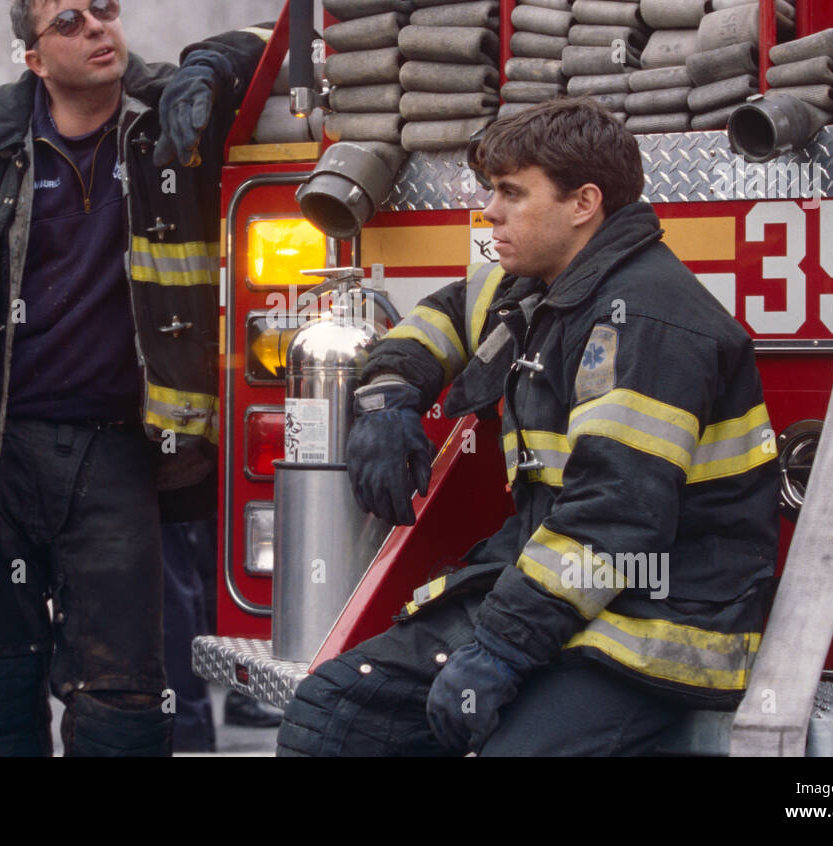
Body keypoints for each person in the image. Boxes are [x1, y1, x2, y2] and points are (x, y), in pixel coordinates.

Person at [277, 98, 781, 756]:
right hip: (557, 599)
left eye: (512, 192)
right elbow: (445, 317)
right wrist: (385, 398)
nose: (490, 211)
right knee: (335, 717)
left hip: (652, 627)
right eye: (492, 190)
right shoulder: (537, 288)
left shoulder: (645, 322)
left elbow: (616, 522)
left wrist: (499, 650)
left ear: (583, 204)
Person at [0, 0, 267, 756]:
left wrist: (209, 65)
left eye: (105, 8)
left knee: (122, 693)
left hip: (116, 453)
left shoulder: (174, 119)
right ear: (33, 58)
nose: (97, 27)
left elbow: (283, 40)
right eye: (69, 21)